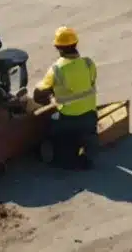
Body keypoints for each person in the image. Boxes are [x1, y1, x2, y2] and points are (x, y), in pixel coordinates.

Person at [33, 26, 99, 171]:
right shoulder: (89, 63)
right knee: (85, 131)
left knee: (50, 123)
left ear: (57, 47)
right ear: (76, 43)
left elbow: (39, 93)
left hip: (68, 119)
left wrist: (50, 94)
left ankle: (63, 154)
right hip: (90, 116)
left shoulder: (56, 69)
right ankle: (86, 146)